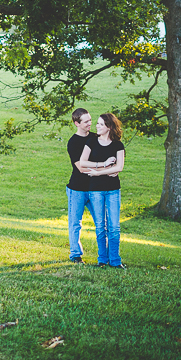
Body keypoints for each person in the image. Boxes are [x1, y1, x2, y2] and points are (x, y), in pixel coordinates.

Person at [65, 108, 115, 264]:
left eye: (90, 120)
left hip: (96, 188)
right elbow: (81, 167)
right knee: (75, 223)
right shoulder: (73, 143)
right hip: (77, 189)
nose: (90, 124)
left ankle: (105, 257)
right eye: (86, 121)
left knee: (102, 223)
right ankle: (75, 255)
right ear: (76, 123)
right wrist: (103, 167)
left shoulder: (96, 138)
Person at [77, 113, 125, 269]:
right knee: (100, 226)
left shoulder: (118, 145)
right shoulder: (91, 142)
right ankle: (102, 260)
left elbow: (119, 167)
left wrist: (97, 172)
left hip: (112, 190)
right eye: (96, 123)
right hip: (96, 190)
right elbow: (83, 162)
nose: (96, 126)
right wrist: (103, 165)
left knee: (114, 227)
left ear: (109, 127)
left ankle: (115, 261)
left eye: (100, 124)